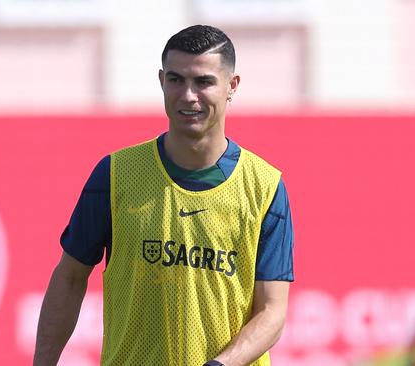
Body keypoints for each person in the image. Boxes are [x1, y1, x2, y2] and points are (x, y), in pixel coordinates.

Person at [34, 24, 294, 366]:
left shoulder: (264, 187)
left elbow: (272, 312)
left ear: (232, 86)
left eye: (203, 82)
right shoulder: (115, 175)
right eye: (176, 80)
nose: (188, 95)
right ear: (161, 81)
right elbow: (69, 278)